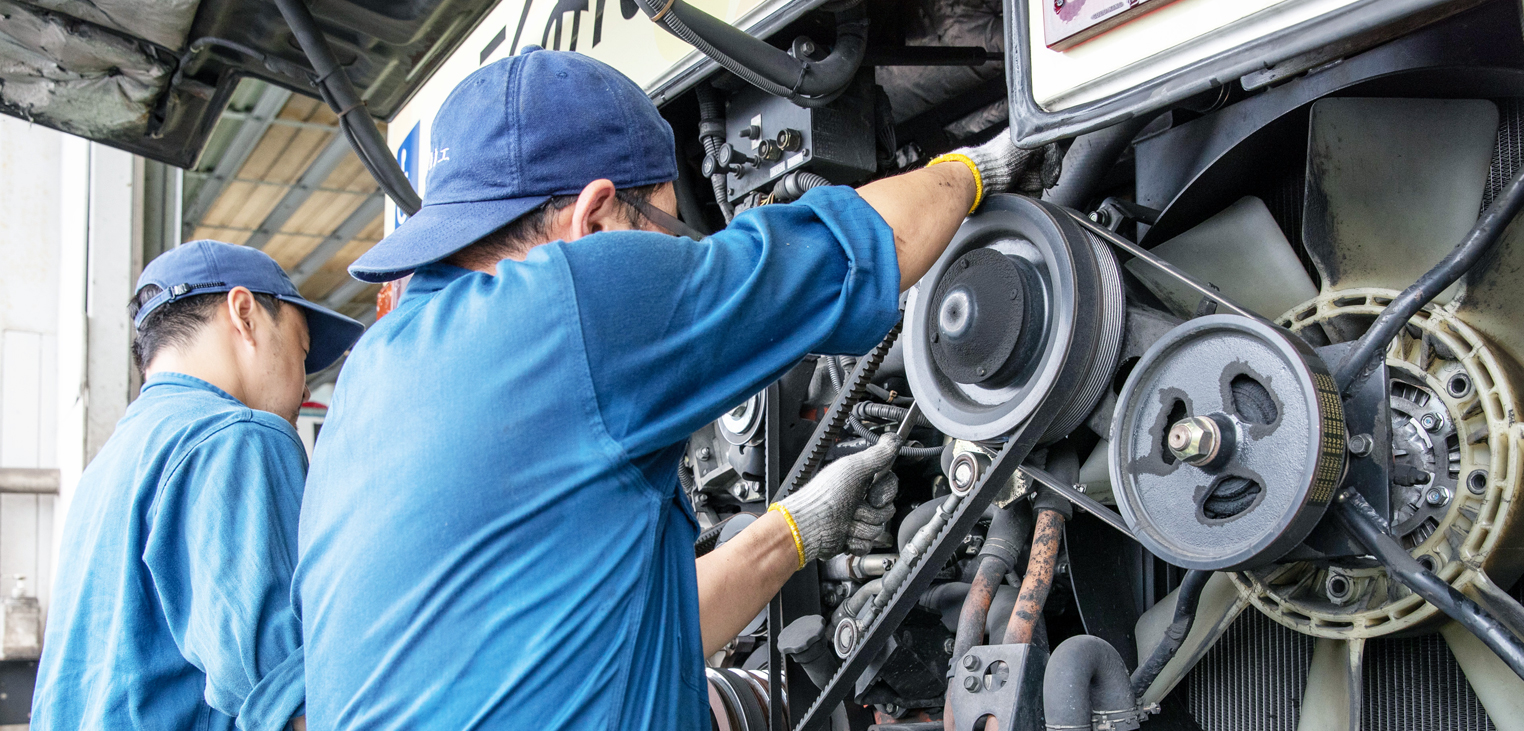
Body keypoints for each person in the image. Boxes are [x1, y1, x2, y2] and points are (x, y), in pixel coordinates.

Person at [296, 48, 1032, 729]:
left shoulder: (371, 375)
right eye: (671, 235)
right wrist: (984, 166)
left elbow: (632, 623)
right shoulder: (570, 300)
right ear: (594, 218)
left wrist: (796, 530)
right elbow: (868, 243)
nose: (675, 262)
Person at [32, 241, 365, 731]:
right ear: (245, 314)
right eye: (301, 350)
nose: (303, 387)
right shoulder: (238, 437)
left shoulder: (113, 461)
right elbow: (288, 694)